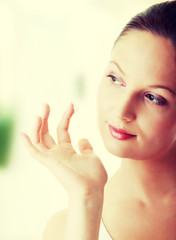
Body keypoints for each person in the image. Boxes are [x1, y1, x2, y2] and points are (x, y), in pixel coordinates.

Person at [22, 1, 176, 239]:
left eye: (153, 97)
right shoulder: (67, 227)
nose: (122, 110)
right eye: (116, 79)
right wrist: (86, 199)